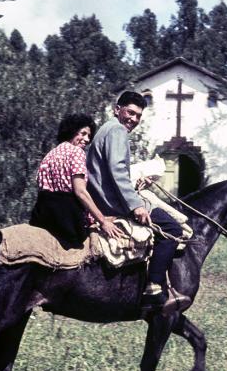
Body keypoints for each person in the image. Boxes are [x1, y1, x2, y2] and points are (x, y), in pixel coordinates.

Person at [86, 91, 191, 314]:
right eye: (129, 112)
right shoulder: (116, 131)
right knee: (172, 228)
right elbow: (117, 171)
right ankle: (154, 288)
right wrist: (136, 204)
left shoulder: (107, 129)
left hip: (107, 196)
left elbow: (114, 171)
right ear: (117, 109)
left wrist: (136, 182)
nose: (133, 119)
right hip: (112, 203)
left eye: (138, 116)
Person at [30, 113, 122, 248]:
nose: (86, 139)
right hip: (66, 219)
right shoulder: (77, 153)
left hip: (42, 215)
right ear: (71, 131)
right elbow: (80, 192)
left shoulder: (49, 155)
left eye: (89, 136)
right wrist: (102, 221)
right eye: (82, 133)